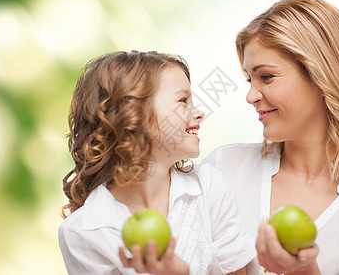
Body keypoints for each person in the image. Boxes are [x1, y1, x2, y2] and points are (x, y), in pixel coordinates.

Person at [203, 0, 339, 274]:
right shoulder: (222, 169)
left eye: (266, 77)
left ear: (322, 76)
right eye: (249, 79)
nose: (250, 96)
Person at [58, 50, 256, 275]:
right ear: (131, 114)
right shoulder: (83, 232)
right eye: (183, 101)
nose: (199, 113)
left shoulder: (208, 187)